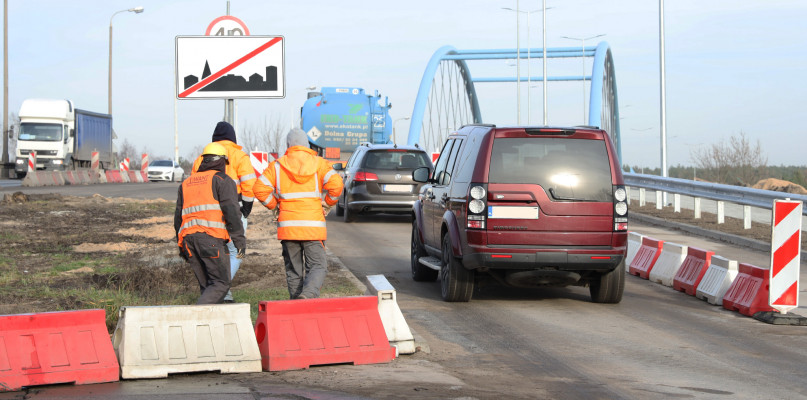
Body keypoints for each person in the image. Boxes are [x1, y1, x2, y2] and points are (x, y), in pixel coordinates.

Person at [252, 128, 343, 299]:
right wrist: (328, 203)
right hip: (313, 227)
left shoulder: (277, 166)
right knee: (317, 266)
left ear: (288, 145)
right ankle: (308, 295)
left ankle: (296, 305)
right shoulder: (319, 163)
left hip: (288, 228)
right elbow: (337, 185)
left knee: (293, 270)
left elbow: (259, 189)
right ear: (306, 144)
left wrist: (275, 206)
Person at [192, 121, 256, 302]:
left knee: (216, 253)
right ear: (233, 139)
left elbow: (194, 187)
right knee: (236, 251)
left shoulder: (200, 159)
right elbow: (249, 185)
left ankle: (224, 294)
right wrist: (246, 209)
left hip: (205, 213)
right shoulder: (240, 156)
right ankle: (219, 288)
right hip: (232, 210)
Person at [176, 143, 246, 304]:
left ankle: (209, 326)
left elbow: (177, 219)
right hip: (210, 240)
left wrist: (181, 246)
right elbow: (232, 213)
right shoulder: (222, 180)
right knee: (221, 283)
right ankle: (194, 318)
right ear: (221, 161)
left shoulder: (187, 183)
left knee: (209, 287)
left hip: (188, 242)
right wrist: (240, 241)